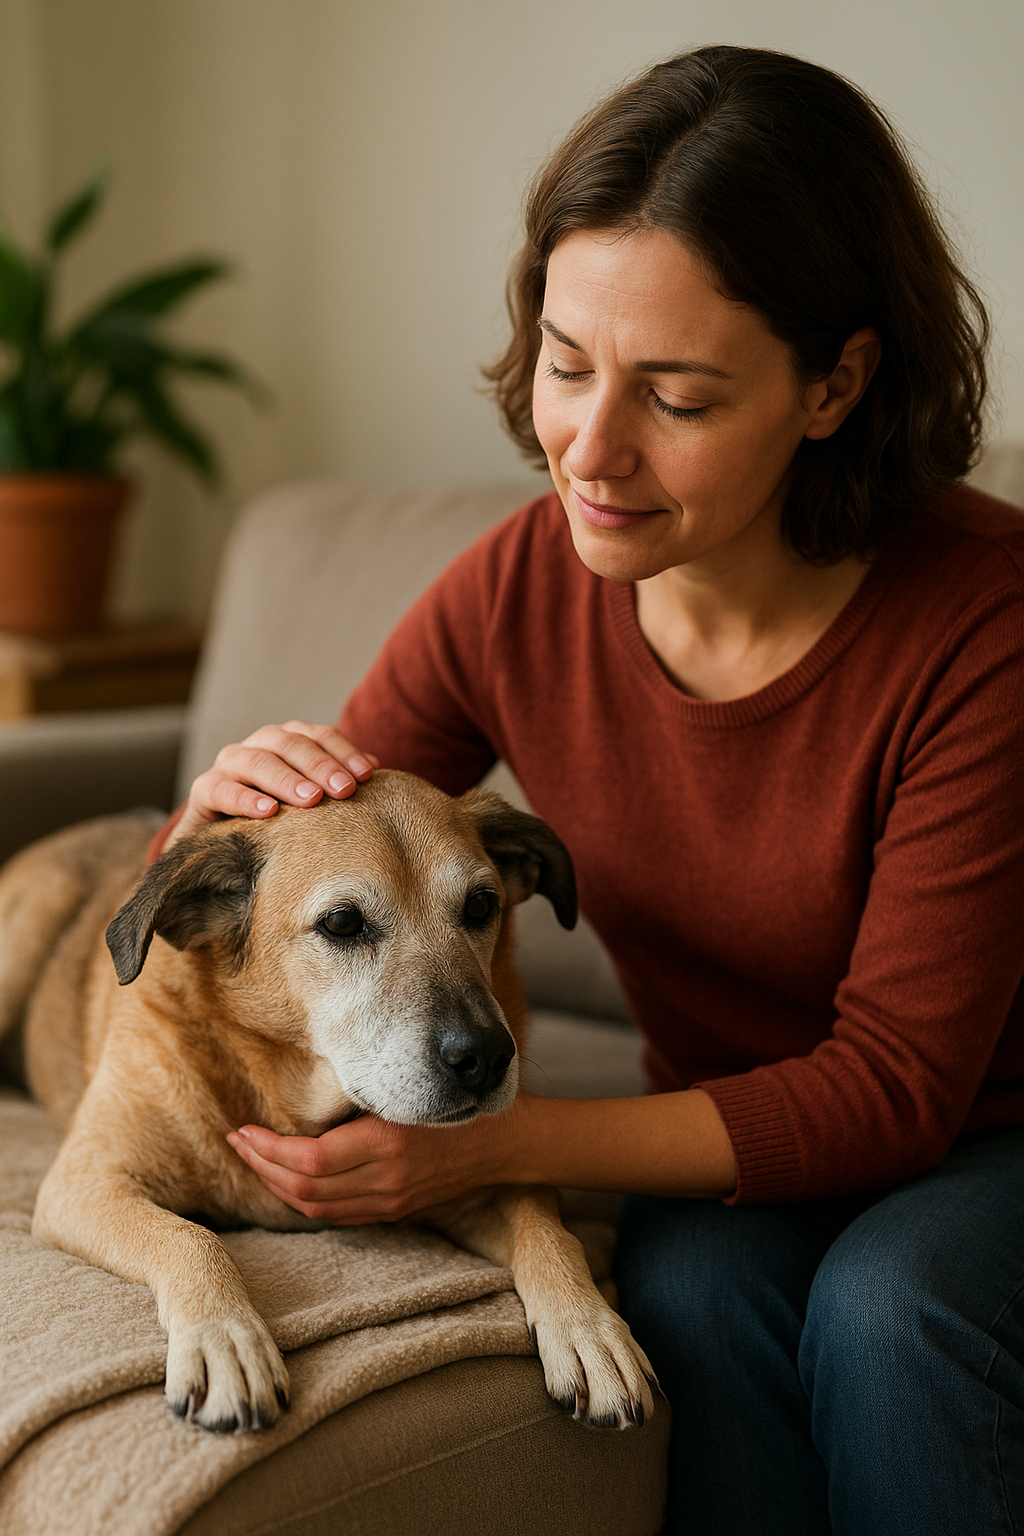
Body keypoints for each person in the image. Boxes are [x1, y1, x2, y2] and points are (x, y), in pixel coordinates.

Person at [154, 47, 1024, 1536]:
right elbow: (286, 872)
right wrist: (222, 806)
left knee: (895, 1310)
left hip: (989, 1128)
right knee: (688, 1291)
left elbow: (891, 1092)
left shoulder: (984, 626)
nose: (590, 454)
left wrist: (500, 1142)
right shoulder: (518, 589)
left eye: (675, 395)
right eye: (567, 365)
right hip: (736, 1119)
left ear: (836, 383)